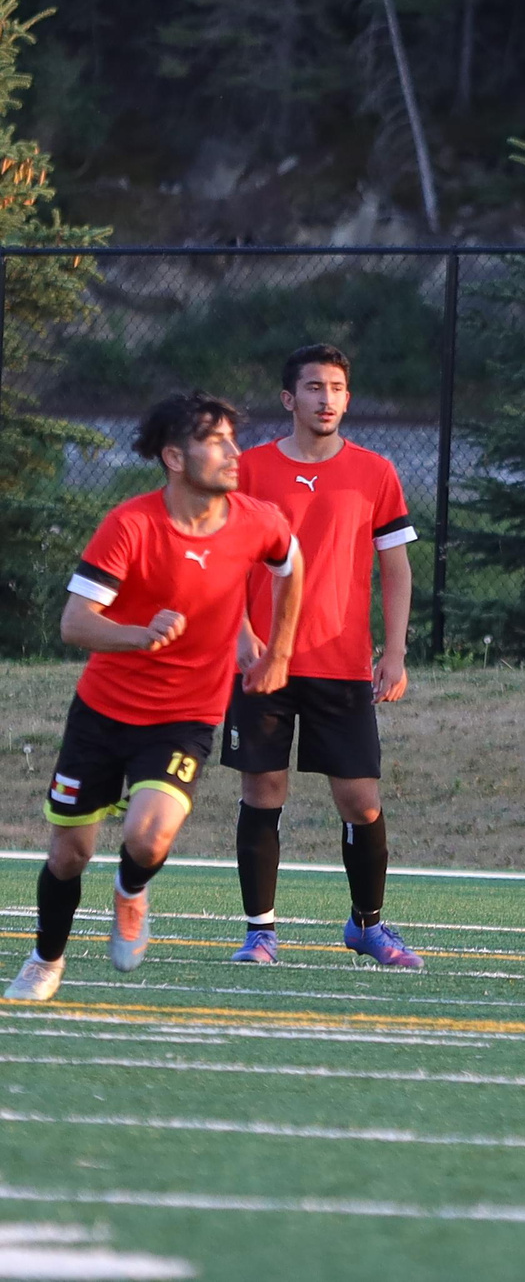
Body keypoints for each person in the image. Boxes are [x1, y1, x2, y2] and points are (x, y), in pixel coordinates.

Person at [8, 392, 303, 1002]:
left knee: (148, 837)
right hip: (102, 713)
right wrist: (137, 635)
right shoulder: (132, 525)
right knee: (68, 855)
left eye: (232, 439)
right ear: (174, 456)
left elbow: (290, 564)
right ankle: (46, 959)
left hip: (184, 717)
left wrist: (276, 650)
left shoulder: (256, 519)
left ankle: (132, 889)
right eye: (214, 441)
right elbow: (75, 623)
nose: (232, 452)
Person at [225, 343, 424, 969]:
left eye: (337, 388)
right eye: (314, 388)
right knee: (264, 789)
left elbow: (396, 567)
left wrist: (394, 651)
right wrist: (237, 631)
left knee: (360, 798)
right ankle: (261, 932)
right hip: (264, 661)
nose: (326, 399)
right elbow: (221, 560)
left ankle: (367, 924)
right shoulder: (250, 469)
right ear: (290, 399)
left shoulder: (376, 471)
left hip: (341, 661)